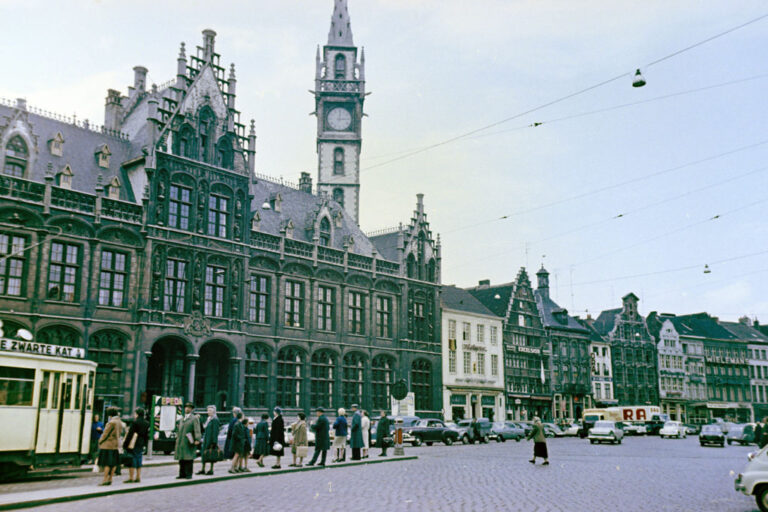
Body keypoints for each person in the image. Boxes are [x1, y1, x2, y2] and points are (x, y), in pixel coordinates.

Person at [174, 402, 201, 479]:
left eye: (189, 407)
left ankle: (188, 474)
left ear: (192, 409)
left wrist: (197, 439)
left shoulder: (194, 418)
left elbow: (197, 429)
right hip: (181, 441)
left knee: (188, 458)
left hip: (189, 441)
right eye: (186, 407)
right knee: (181, 458)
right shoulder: (182, 419)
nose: (187, 409)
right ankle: (181, 474)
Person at [122, 407, 149, 483]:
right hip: (141, 442)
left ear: (137, 414)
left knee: (132, 459)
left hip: (133, 442)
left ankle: (131, 477)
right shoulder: (146, 423)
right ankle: (138, 476)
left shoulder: (135, 422)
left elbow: (130, 434)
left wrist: (125, 444)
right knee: (139, 459)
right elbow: (147, 435)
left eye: (135, 413)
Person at [97, 407, 122, 485]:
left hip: (108, 445)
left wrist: (100, 441)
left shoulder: (111, 422)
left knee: (107, 463)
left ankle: (105, 479)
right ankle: (110, 478)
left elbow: (105, 434)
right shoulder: (119, 422)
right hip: (115, 445)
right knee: (113, 463)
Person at [198, 405, 221, 476]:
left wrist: (214, 442)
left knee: (211, 454)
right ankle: (203, 469)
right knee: (204, 454)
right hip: (206, 439)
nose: (208, 412)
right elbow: (204, 428)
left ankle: (211, 469)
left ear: (214, 411)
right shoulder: (208, 419)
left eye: (210, 411)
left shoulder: (215, 420)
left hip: (211, 440)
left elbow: (215, 431)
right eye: (208, 410)